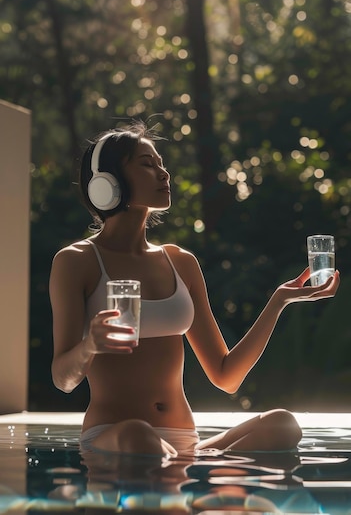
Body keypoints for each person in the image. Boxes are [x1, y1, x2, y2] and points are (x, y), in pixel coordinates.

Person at [49, 121, 340, 458]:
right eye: (147, 163)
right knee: (139, 437)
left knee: (283, 425)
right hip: (116, 437)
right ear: (107, 183)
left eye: (161, 163)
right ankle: (191, 480)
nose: (164, 174)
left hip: (183, 444)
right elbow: (62, 379)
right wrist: (90, 345)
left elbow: (226, 376)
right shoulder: (77, 261)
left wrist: (279, 300)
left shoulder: (180, 262)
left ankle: (197, 476)